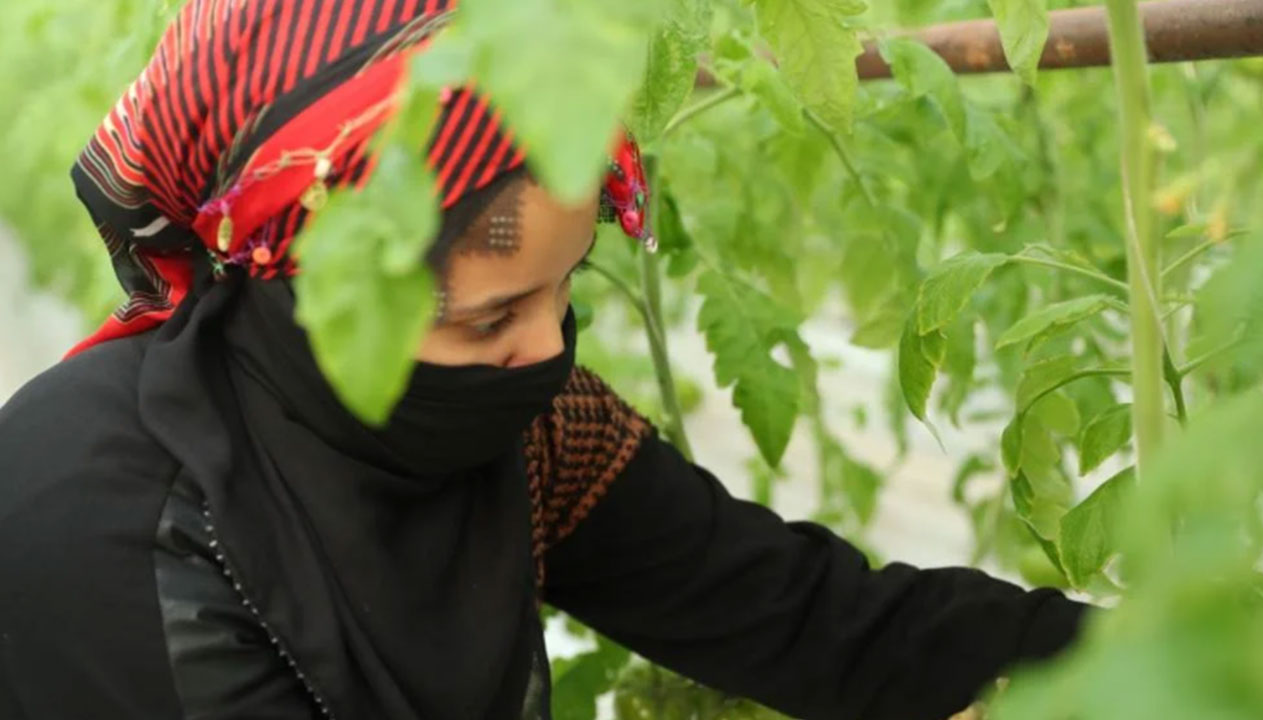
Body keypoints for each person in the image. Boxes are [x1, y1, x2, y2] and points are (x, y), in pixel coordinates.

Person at [0, 2, 1089, 719]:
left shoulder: (523, 432)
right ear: (310, 275)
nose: (547, 351)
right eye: (489, 317)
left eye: (567, 287)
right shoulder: (104, 533)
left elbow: (803, 615)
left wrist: (1169, 651)